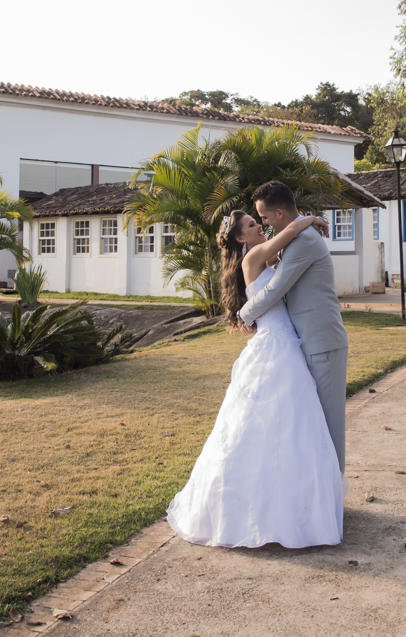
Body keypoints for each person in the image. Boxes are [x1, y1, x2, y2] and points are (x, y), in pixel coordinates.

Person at [166, 208, 344, 548]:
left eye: (256, 221)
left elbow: (289, 248)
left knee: (289, 425)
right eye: (251, 224)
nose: (259, 226)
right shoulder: (254, 257)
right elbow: (290, 229)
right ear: (239, 238)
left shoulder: (262, 256)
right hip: (276, 344)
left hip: (284, 338)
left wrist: (308, 222)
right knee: (277, 421)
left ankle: (289, 505)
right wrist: (313, 218)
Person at [240, 180, 349, 474]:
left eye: (263, 218)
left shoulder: (304, 242)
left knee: (329, 428)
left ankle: (333, 502)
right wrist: (310, 218)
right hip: (307, 342)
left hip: (322, 343)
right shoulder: (297, 237)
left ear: (279, 213)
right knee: (314, 427)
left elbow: (276, 289)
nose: (262, 224)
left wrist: (244, 314)